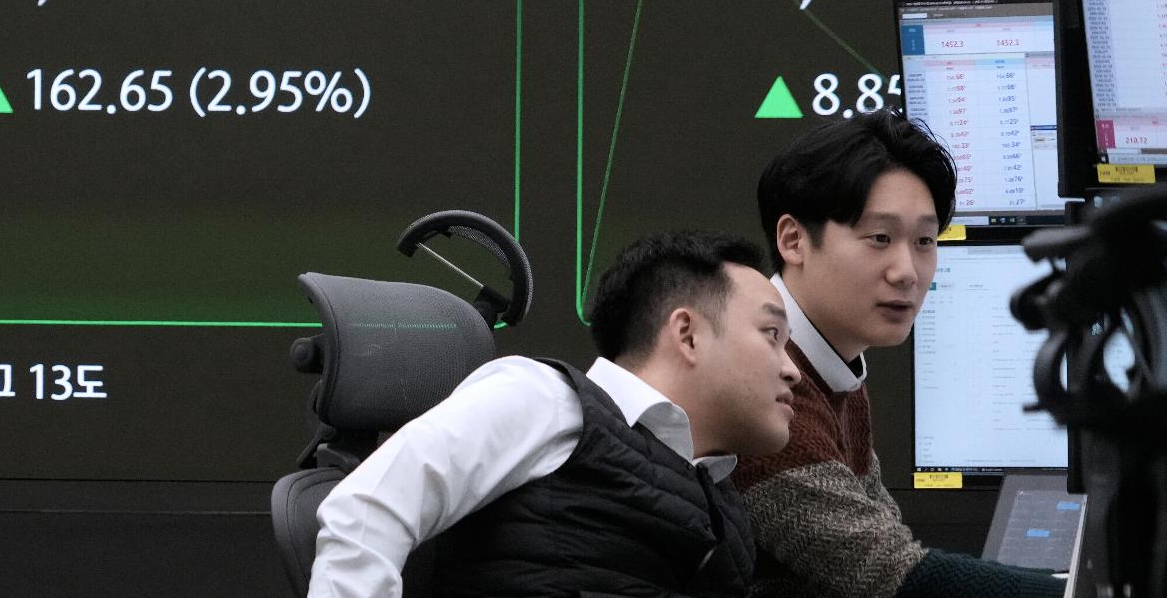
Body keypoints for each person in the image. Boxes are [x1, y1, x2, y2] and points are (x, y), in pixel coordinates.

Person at [309, 229, 802, 598]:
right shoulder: (543, 398)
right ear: (688, 334)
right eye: (771, 335)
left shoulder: (725, 507)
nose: (792, 370)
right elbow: (366, 512)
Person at [735, 111, 1064, 598]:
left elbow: (885, 542)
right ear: (793, 239)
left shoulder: (834, 366)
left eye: (925, 241)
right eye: (880, 239)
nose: (908, 271)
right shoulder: (758, 378)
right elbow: (887, 575)